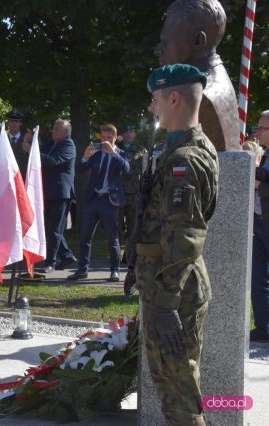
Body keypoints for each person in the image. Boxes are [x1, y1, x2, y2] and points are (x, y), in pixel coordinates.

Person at [138, 64, 218, 425]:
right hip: (168, 284)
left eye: (155, 99)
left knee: (180, 393)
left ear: (173, 98)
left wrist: (166, 304)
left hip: (173, 290)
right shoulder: (189, 149)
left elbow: (185, 237)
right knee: (172, 388)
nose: (152, 108)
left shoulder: (184, 160)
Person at [156, 0, 238, 152]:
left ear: (198, 41)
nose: (158, 50)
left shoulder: (202, 95)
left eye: (166, 42)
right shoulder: (208, 81)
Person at [68, 124, 129, 282]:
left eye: (109, 138)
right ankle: (83, 269)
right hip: (93, 198)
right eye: (103, 138)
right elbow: (81, 169)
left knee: (112, 238)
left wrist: (113, 153)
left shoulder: (121, 153)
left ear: (115, 138)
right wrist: (85, 157)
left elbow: (127, 169)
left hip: (109, 201)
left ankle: (114, 271)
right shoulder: (96, 153)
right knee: (85, 237)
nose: (105, 141)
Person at [24, 118, 77, 271]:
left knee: (54, 229)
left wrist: (31, 151)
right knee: (50, 228)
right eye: (53, 128)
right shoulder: (51, 144)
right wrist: (31, 140)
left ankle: (50, 262)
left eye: (56, 129)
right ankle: (66, 255)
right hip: (47, 192)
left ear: (65, 133)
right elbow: (40, 149)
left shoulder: (68, 145)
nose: (53, 131)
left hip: (60, 193)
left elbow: (53, 161)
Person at [249, 111, 269, 343]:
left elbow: (260, 178)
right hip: (259, 221)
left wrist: (253, 162)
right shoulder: (264, 153)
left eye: (263, 128)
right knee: (258, 278)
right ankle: (263, 328)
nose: (258, 132)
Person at [117, 124, 148, 263]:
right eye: (126, 132)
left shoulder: (142, 151)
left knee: (132, 226)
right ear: (122, 134)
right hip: (118, 194)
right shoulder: (116, 149)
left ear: (135, 134)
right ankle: (115, 256)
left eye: (131, 131)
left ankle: (128, 256)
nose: (129, 134)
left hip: (134, 194)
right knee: (116, 226)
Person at [6, 109, 29, 178]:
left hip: (22, 178)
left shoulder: (27, 141)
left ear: (20, 123)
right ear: (8, 123)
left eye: (16, 121)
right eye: (12, 121)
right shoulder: (2, 141)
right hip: (6, 177)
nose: (14, 124)